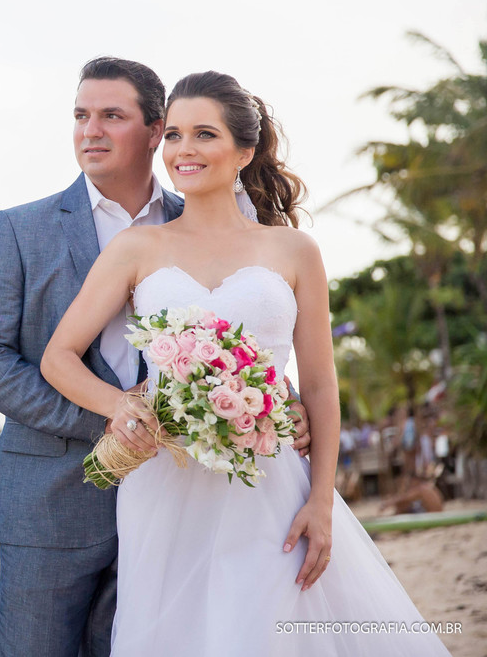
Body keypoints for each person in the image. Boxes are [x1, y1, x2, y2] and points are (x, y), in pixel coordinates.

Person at [40, 70, 450, 654]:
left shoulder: (294, 250)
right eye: (175, 135)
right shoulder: (137, 248)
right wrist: (122, 406)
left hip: (270, 481)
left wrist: (321, 501)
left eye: (204, 134)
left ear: (245, 150)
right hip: (164, 480)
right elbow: (59, 356)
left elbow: (318, 386)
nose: (184, 150)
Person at [0, 58, 312, 657]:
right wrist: (114, 421)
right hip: (52, 501)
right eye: (80, 116)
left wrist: (282, 405)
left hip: (184, 499)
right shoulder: (20, 228)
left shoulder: (201, 216)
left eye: (110, 116)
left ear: (154, 131)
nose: (89, 131)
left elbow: (251, 327)